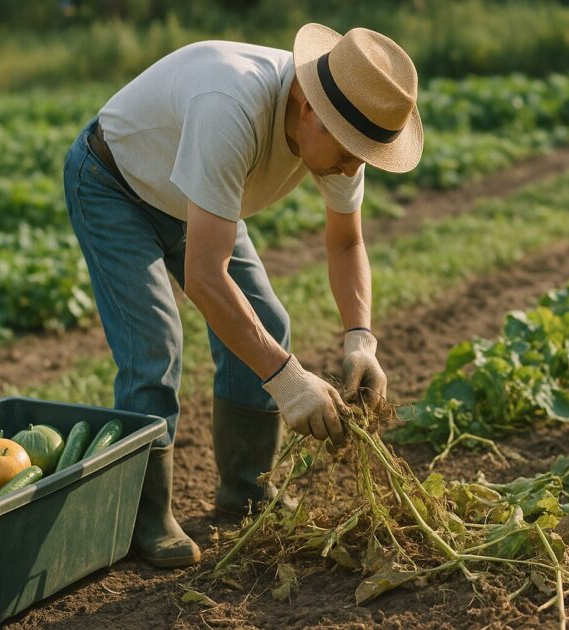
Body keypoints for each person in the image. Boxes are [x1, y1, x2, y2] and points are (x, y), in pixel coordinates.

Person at [62, 23, 423, 568]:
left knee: (267, 322)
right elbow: (207, 278)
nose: (353, 168)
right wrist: (288, 381)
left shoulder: (345, 122)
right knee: (153, 346)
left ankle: (245, 489)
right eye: (351, 152)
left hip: (193, 196)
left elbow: (347, 242)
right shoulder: (230, 106)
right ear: (307, 107)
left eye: (366, 156)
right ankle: (144, 514)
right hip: (114, 183)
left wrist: (361, 338)